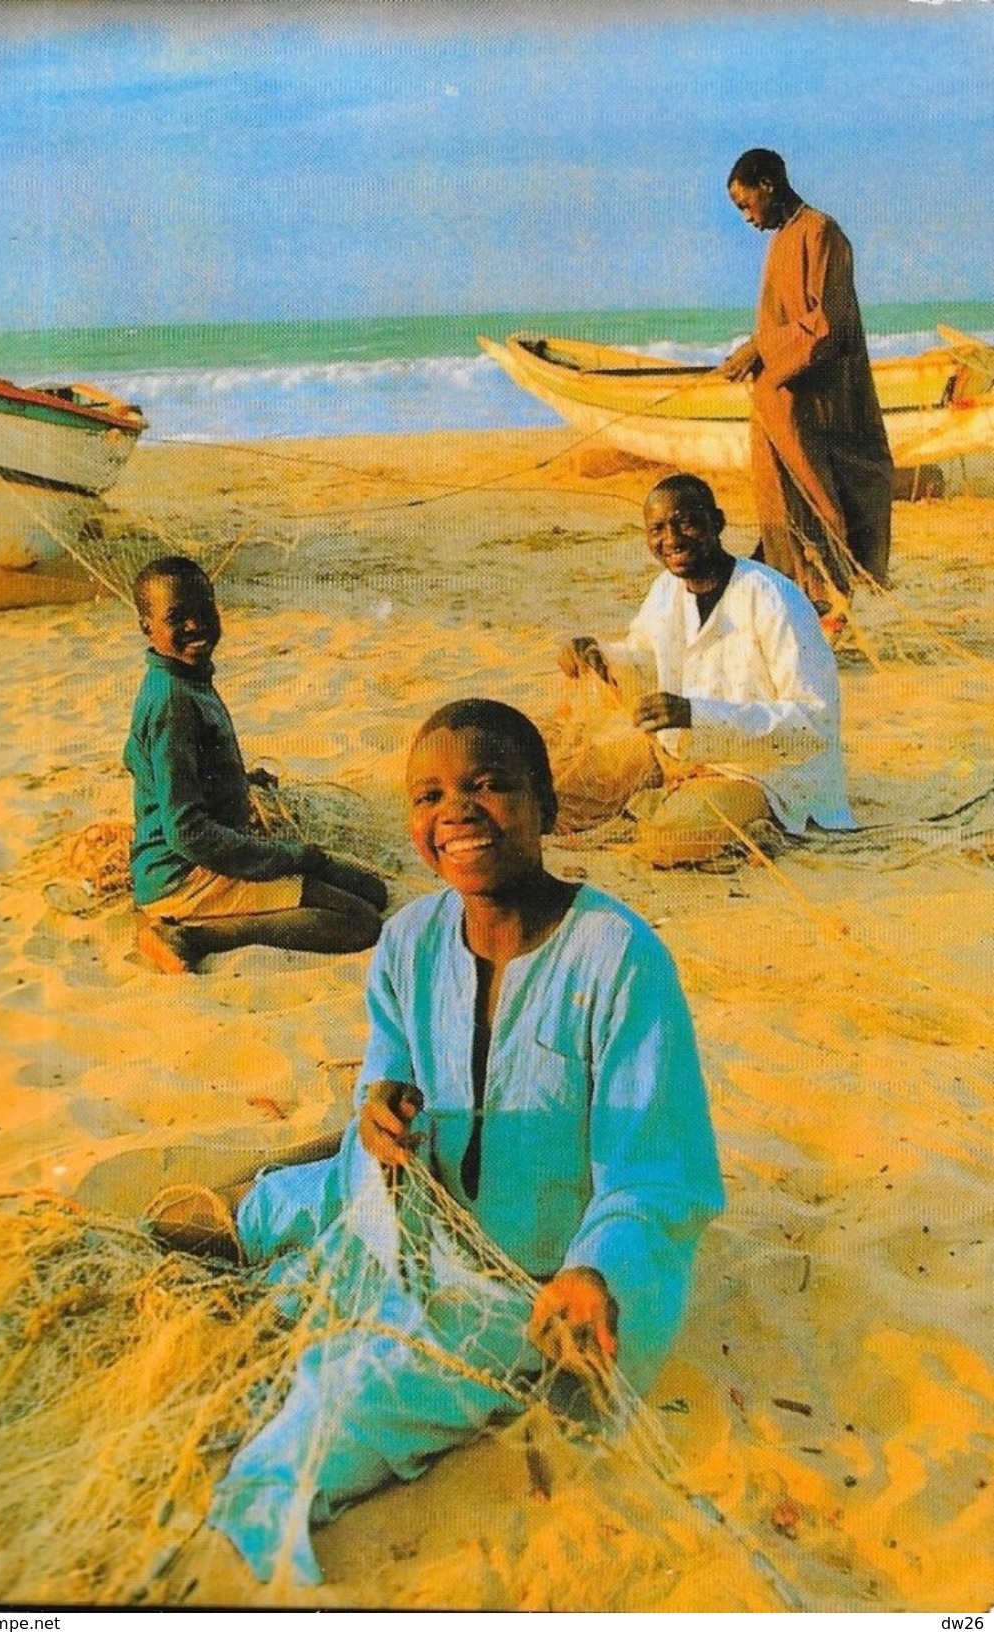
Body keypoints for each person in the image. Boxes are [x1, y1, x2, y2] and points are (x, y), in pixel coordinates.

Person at [195, 698, 723, 1585]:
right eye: (429, 795)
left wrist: (596, 1270)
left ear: (546, 807)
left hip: (530, 1289)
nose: (457, 813)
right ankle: (268, 1219)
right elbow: (382, 1075)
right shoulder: (406, 940)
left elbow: (653, 1169)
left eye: (489, 786)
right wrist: (378, 1111)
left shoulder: (619, 958)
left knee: (317, 1420)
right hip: (416, 1220)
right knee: (287, 1207)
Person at [558, 474, 855, 861]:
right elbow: (644, 660)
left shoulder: (772, 598)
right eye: (657, 530)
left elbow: (812, 726)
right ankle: (669, 798)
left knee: (669, 840)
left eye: (685, 522)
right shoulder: (665, 591)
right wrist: (599, 657)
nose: (672, 539)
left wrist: (695, 714)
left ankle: (736, 821)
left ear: (717, 522)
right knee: (561, 798)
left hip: (767, 776)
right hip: (685, 761)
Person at [125, 556, 386, 973]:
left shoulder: (186, 679)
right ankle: (190, 934)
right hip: (185, 871)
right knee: (359, 921)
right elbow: (186, 831)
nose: (195, 625)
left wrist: (237, 781)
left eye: (203, 610)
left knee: (372, 890)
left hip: (206, 854)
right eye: (177, 617)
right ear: (147, 626)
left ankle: (212, 917)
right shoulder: (171, 701)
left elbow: (177, 774)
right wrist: (286, 856)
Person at [720, 148, 893, 615]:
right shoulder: (782, 239)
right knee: (783, 504)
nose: (746, 217)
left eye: (744, 203)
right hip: (781, 403)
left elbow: (826, 326)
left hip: (819, 404)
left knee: (827, 500)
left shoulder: (820, 233)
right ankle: (805, 605)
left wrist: (759, 348)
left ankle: (832, 604)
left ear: (768, 185)